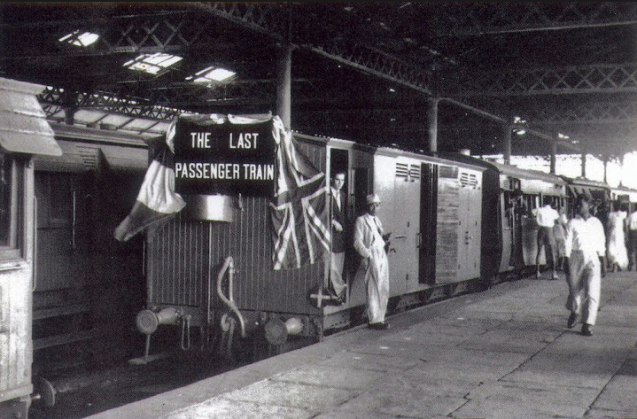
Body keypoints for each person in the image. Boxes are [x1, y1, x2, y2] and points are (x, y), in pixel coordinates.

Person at [564, 194, 606, 337]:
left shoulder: (596, 223)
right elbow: (567, 242)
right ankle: (575, 311)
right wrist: (565, 259)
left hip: (593, 258)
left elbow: (601, 241)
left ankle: (588, 323)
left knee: (592, 291)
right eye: (576, 204)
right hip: (575, 257)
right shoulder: (572, 223)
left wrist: (603, 260)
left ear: (589, 205)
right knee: (574, 290)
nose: (577, 207)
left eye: (580, 204)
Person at [353, 193, 390, 330]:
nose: (375, 207)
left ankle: (381, 318)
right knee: (373, 287)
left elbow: (377, 237)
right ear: (367, 206)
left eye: (377, 205)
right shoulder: (361, 220)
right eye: (372, 205)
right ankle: (374, 320)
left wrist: (384, 239)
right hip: (372, 254)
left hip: (381, 253)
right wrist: (368, 255)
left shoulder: (377, 220)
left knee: (383, 286)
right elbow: (357, 242)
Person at [329, 171, 348, 303]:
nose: (340, 183)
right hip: (330, 235)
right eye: (337, 180)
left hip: (341, 236)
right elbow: (322, 212)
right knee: (332, 267)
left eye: (342, 180)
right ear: (332, 179)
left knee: (339, 267)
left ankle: (338, 295)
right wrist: (333, 222)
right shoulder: (326, 194)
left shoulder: (343, 195)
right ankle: (340, 290)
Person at [533, 196, 560, 280]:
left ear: (543, 202)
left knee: (539, 251)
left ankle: (537, 272)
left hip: (541, 230)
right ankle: (554, 273)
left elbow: (532, 213)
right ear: (551, 202)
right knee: (552, 252)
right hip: (549, 231)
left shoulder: (539, 210)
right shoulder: (554, 212)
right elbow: (557, 221)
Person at [606, 200, 628, 273]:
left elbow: (608, 225)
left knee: (615, 248)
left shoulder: (614, 215)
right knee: (615, 248)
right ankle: (616, 264)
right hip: (617, 233)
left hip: (615, 233)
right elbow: (625, 226)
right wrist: (626, 234)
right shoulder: (615, 215)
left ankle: (616, 265)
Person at [553, 207, 568, 271]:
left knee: (556, 251)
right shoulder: (562, 217)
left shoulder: (554, 217)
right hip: (561, 235)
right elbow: (565, 226)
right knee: (561, 251)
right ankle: (561, 265)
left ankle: (557, 265)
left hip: (555, 235)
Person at [627, 206, 637, 271]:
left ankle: (631, 263)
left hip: (632, 232)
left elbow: (627, 224)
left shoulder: (631, 215)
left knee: (631, 249)